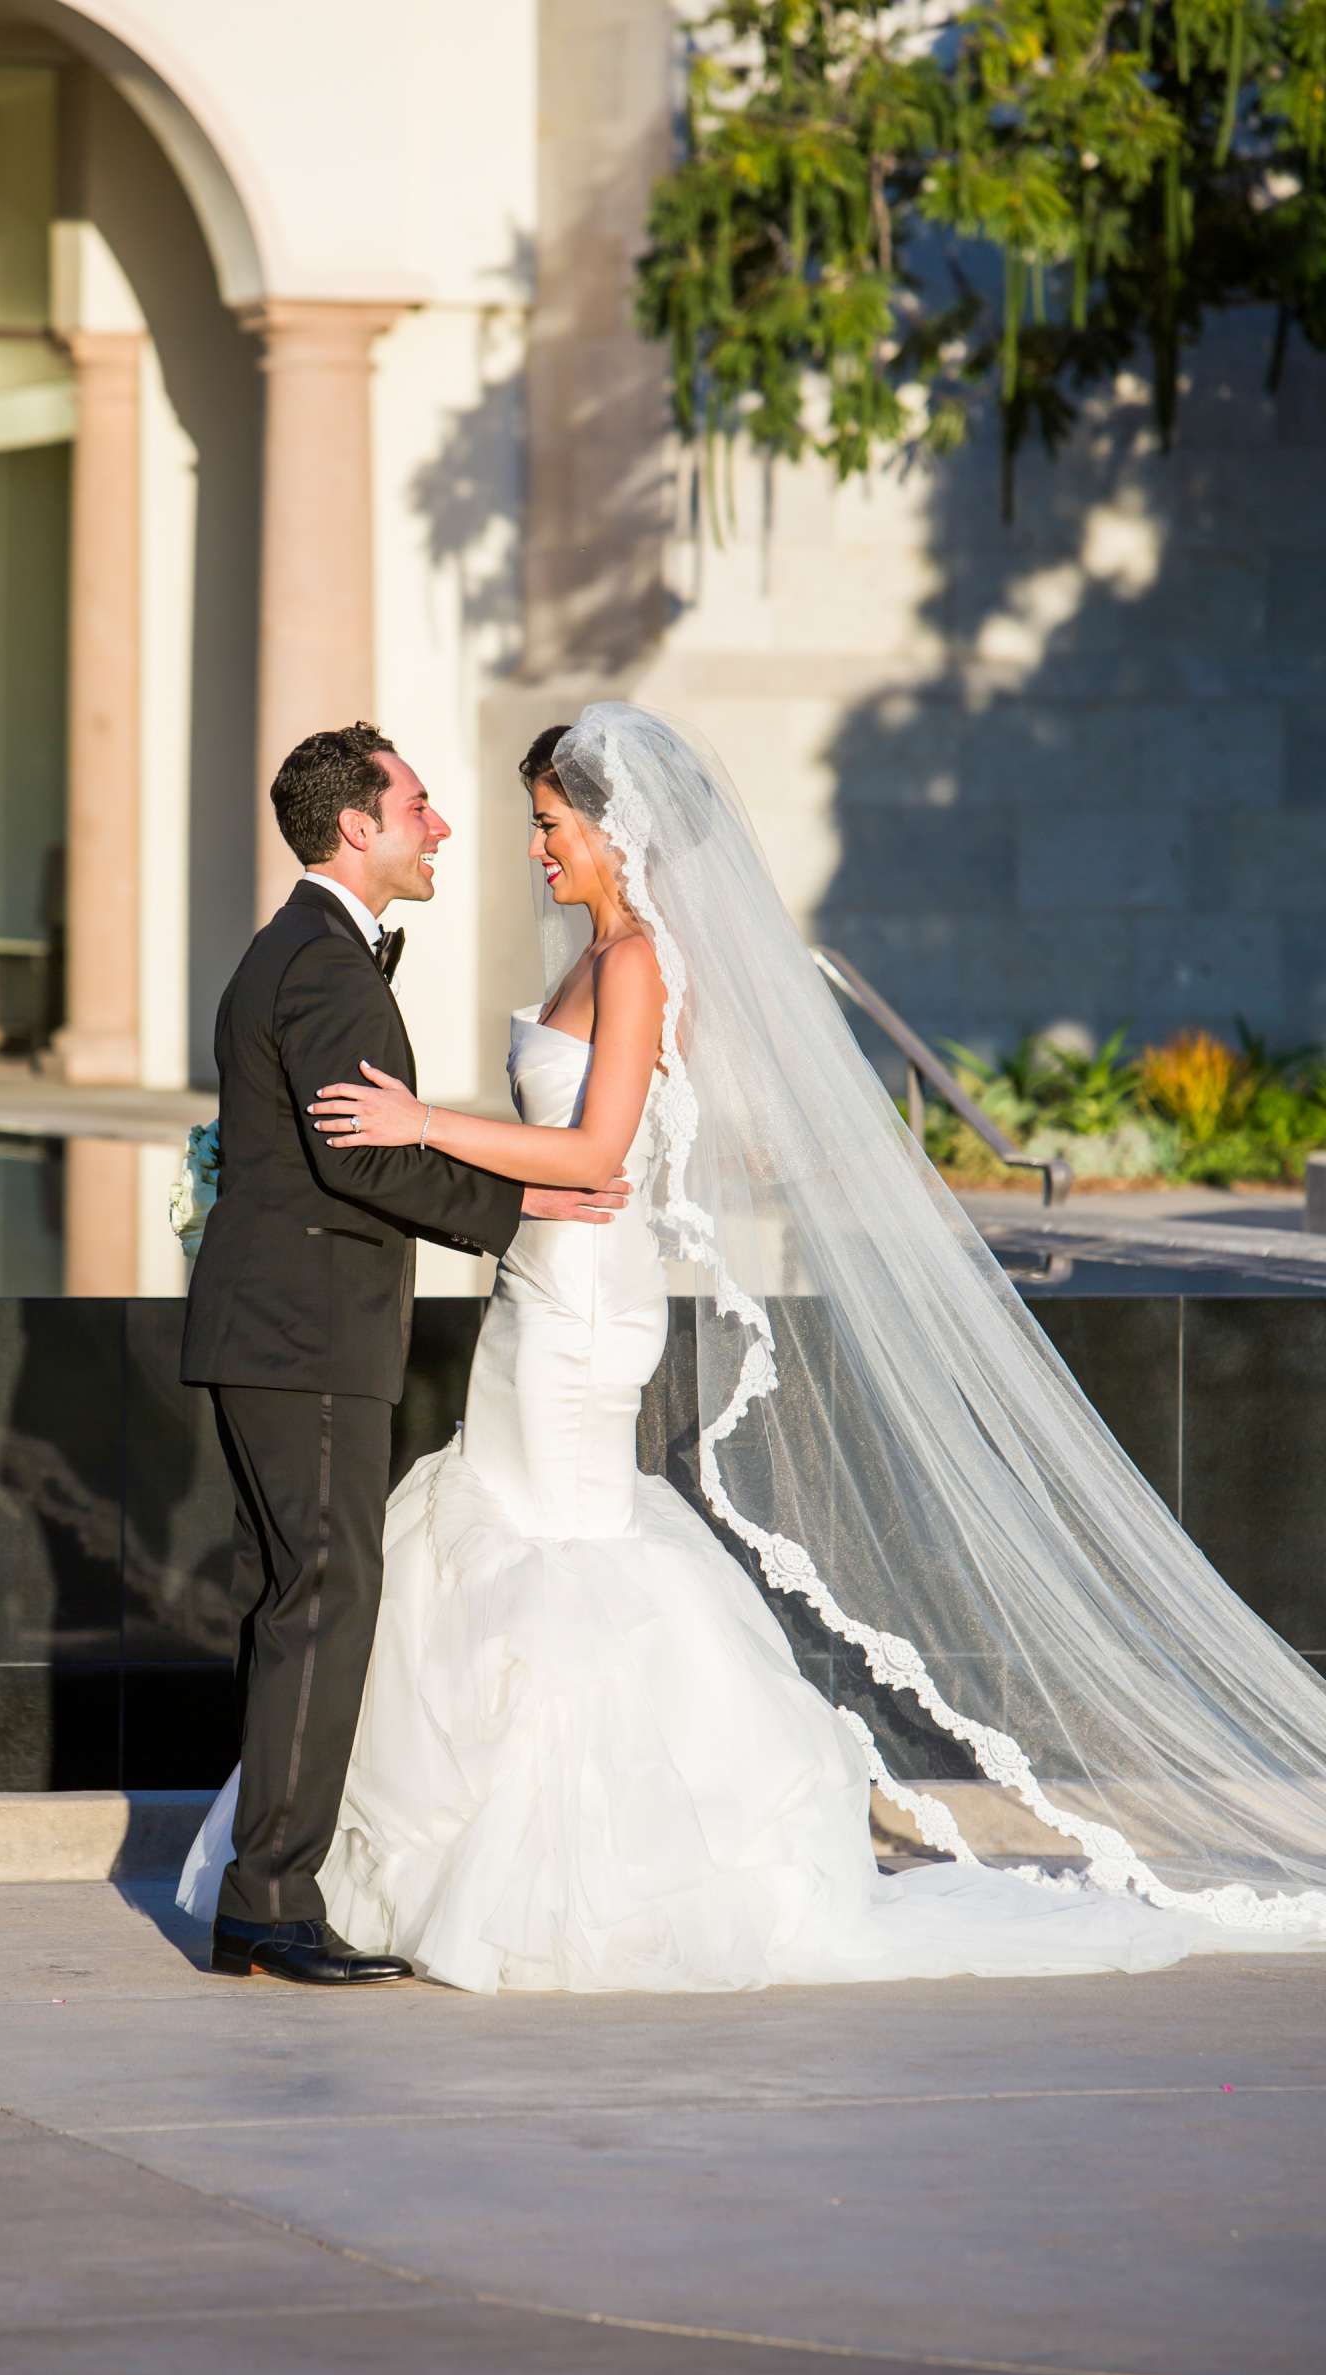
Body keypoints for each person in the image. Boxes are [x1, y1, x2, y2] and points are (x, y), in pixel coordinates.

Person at [180, 703, 1326, 1989]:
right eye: (500, 821)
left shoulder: (634, 963)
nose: (519, 847)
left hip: (579, 1293)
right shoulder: (535, 956)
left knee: (545, 1555)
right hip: (528, 1285)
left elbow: (595, 1158)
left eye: (547, 825)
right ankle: (337, 1882)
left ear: (615, 830)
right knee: (444, 1563)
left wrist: (427, 1123)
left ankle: (534, 1881)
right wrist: (457, 1161)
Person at [180, 721, 628, 1986]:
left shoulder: (300, 951)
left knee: (296, 1605)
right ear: (356, 828)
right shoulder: (322, 966)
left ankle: (260, 1898)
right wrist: (523, 1207)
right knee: (323, 1603)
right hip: (305, 1334)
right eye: (419, 807)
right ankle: (270, 1900)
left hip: (276, 1329)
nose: (440, 829)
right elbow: (358, 1154)